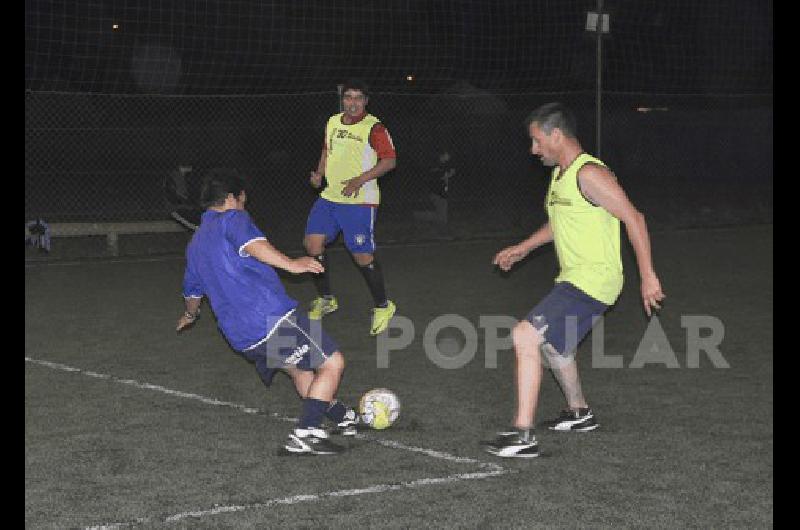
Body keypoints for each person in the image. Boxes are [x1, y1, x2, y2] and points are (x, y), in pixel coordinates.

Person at [484, 103, 665, 458]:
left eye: (537, 141)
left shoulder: (589, 173)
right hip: (575, 277)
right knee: (555, 347)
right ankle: (579, 412)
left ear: (556, 135)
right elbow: (561, 224)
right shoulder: (562, 175)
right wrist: (523, 248)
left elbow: (635, 219)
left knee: (525, 335)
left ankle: (523, 435)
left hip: (593, 279)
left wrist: (648, 276)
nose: (533, 149)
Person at [176, 168, 359, 456]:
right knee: (332, 363)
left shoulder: (195, 244)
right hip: (270, 319)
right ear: (233, 198)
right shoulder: (232, 218)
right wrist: (292, 264)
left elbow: (192, 292)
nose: (244, 205)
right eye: (243, 199)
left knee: (299, 368)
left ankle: (342, 418)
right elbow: (254, 245)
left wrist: (190, 315)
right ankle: (306, 433)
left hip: (242, 337)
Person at [305, 79, 398, 335]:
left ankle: (383, 305)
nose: (353, 103)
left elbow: (389, 161)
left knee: (362, 256)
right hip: (330, 197)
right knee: (313, 246)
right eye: (348, 97)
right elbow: (327, 150)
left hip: (360, 201)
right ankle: (326, 299)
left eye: (358, 98)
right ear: (342, 100)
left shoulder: (374, 127)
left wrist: (359, 179)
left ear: (366, 101)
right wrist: (319, 174)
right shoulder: (333, 122)